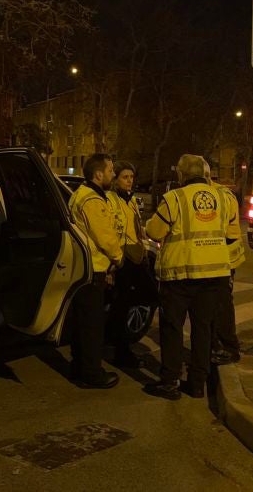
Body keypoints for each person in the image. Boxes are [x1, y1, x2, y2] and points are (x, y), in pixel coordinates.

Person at [143, 154, 235, 401]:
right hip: (214, 274)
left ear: (181, 175)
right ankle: (197, 384)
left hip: (179, 275)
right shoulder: (225, 198)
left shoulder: (174, 198)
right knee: (203, 329)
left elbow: (154, 231)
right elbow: (229, 232)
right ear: (205, 174)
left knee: (172, 329)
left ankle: (170, 381)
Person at [67, 153, 123, 389]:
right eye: (110, 171)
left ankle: (80, 366)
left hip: (84, 268)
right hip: (93, 269)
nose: (113, 175)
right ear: (98, 174)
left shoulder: (83, 195)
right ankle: (91, 373)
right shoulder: (91, 200)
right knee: (92, 326)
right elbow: (105, 236)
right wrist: (118, 257)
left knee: (83, 324)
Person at [106, 160, 156, 367]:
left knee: (145, 297)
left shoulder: (131, 200)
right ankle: (122, 352)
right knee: (121, 306)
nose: (129, 181)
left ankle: (122, 348)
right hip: (121, 261)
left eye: (131, 177)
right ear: (115, 179)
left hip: (136, 258)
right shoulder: (110, 199)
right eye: (124, 177)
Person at [203, 162, 245, 366]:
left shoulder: (221, 195)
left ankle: (229, 347)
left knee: (221, 306)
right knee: (212, 305)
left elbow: (229, 233)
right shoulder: (211, 193)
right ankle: (214, 346)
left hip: (224, 260)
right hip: (215, 259)